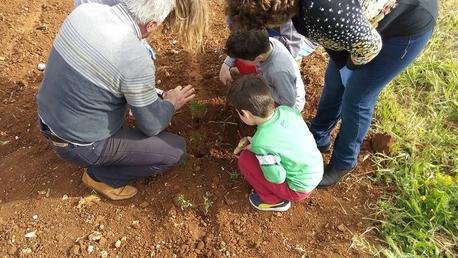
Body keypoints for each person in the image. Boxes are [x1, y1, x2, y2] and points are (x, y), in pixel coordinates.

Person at [226, 0, 438, 187]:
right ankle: (319, 135)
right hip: (357, 25)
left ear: (270, 17)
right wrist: (341, 67)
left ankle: (343, 162)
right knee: (334, 82)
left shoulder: (323, 13)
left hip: (403, 25)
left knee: (357, 97)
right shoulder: (309, 13)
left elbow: (369, 46)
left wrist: (351, 68)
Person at [37, 0, 208, 200]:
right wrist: (171, 103)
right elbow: (151, 126)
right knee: (175, 150)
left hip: (47, 119)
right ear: (152, 24)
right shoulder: (134, 57)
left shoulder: (85, 11)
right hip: (80, 145)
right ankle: (101, 177)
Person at [229, 75, 323, 211]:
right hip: (315, 171)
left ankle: (274, 201)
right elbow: (283, 141)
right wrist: (256, 145)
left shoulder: (262, 143)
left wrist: (258, 149)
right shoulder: (287, 111)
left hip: (298, 189)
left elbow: (277, 177)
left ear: (246, 114)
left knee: (245, 161)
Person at [224, 29, 306, 112]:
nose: (241, 60)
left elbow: (289, 102)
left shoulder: (278, 71)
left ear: (258, 58)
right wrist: (226, 64)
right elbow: (239, 48)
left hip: (287, 104)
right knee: (239, 62)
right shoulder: (268, 43)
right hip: (271, 80)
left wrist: (261, 85)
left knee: (252, 102)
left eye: (243, 59)